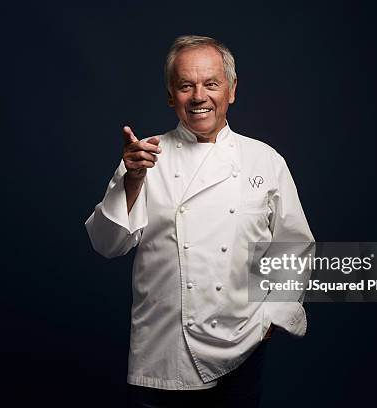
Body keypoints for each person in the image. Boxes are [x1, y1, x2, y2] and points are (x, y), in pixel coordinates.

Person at [85, 35, 314, 408]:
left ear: (231, 90)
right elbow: (107, 244)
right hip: (163, 353)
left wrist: (274, 315)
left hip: (243, 350)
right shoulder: (145, 158)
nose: (198, 96)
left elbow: (294, 245)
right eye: (185, 85)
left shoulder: (265, 160)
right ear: (170, 95)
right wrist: (131, 179)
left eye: (211, 84)